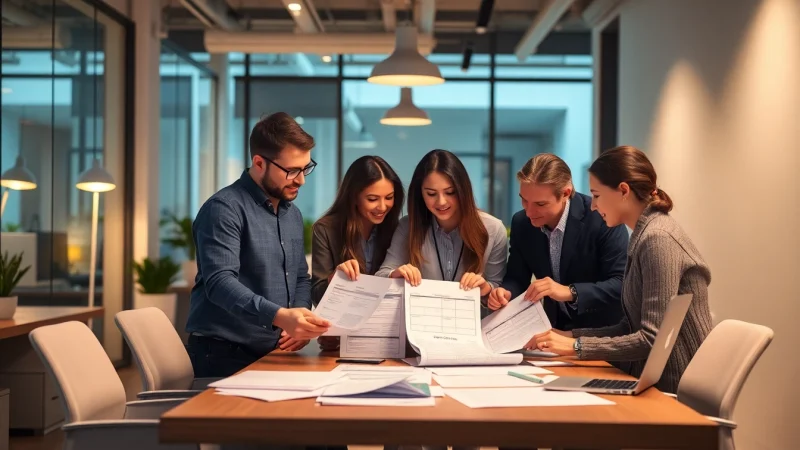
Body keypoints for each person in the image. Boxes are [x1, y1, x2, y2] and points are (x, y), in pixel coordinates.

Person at [531, 145, 713, 394]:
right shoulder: (646, 234)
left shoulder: (658, 238)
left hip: (672, 388)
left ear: (623, 191)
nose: (592, 206)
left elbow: (651, 339)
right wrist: (569, 335)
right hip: (650, 379)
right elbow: (629, 328)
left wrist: (575, 347)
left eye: (596, 195)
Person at [185, 112, 331, 378]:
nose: (301, 180)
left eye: (306, 168)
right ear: (259, 163)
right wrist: (280, 316)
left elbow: (300, 277)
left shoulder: (291, 214)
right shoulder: (223, 209)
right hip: (223, 356)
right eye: (292, 171)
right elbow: (219, 283)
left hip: (274, 351)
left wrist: (298, 321)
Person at [487, 153, 629, 330]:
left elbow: (621, 284)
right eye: (524, 200)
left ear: (565, 193)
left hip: (603, 334)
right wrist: (505, 293)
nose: (529, 212)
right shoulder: (522, 223)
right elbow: (517, 277)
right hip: (556, 332)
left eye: (540, 204)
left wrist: (570, 292)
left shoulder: (602, 217)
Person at [376, 149, 508, 301]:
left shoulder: (493, 229)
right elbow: (381, 275)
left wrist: (486, 288)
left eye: (450, 192)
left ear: (463, 191)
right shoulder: (408, 226)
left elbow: (498, 288)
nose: (441, 202)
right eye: (431, 194)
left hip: (474, 322)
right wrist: (395, 274)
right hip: (422, 321)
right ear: (420, 193)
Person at [311, 155, 405, 351]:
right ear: (354, 196)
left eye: (389, 197)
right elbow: (317, 293)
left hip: (388, 337)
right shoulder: (326, 229)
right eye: (372, 199)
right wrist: (335, 279)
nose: (382, 207)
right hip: (341, 339)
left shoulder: (397, 229)